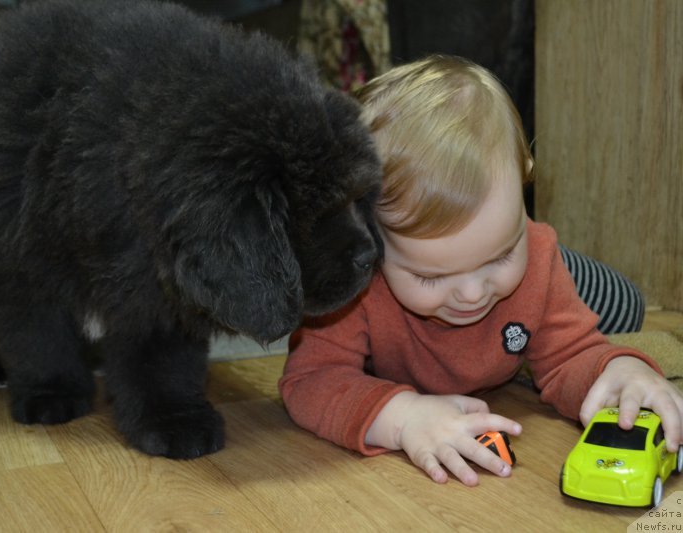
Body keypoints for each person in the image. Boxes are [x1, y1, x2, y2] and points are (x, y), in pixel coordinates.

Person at [278, 55, 683, 487]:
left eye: (498, 254)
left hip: (544, 279)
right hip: (512, 282)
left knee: (626, 305)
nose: (471, 294)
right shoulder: (353, 282)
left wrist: (617, 369)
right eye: (431, 276)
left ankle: (546, 267)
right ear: (369, 239)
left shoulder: (534, 258)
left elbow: (570, 357)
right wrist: (400, 416)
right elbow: (310, 379)